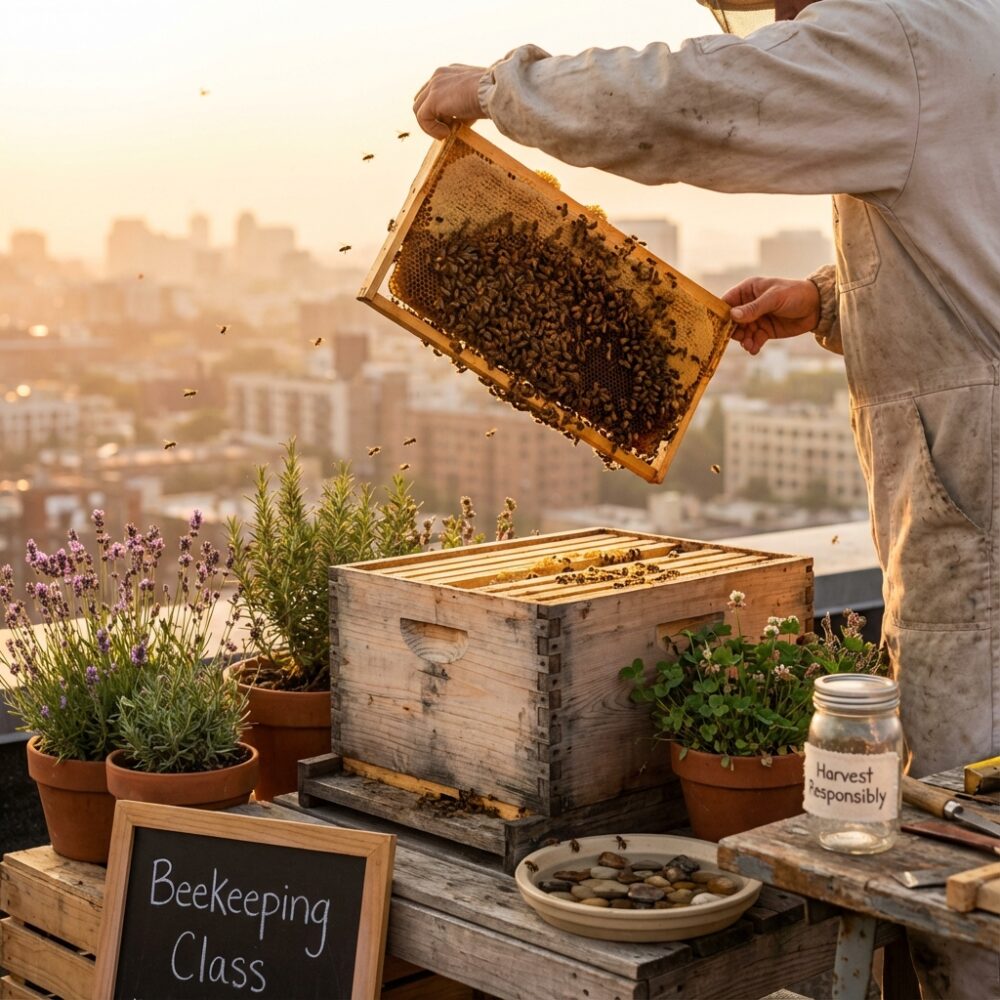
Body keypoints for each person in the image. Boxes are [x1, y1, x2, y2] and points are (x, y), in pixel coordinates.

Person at [414, 1, 1000, 996]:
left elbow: (698, 100)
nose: (778, 21)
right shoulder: (969, 27)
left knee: (962, 855)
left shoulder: (898, 32)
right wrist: (834, 299)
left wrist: (501, 90)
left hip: (978, 520)